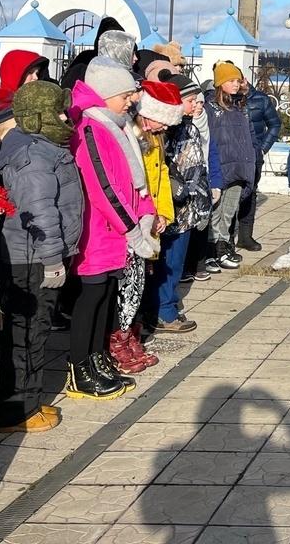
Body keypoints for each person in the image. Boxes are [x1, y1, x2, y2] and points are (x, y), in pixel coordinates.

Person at [0, 82, 84, 431]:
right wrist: (53, 259)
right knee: (29, 332)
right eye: (58, 112)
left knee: (33, 331)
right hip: (32, 260)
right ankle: (19, 411)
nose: (64, 118)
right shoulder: (32, 156)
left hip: (36, 257)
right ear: (39, 116)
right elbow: (41, 212)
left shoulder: (44, 148)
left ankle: (26, 400)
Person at [66, 56, 159, 399]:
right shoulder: (91, 128)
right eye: (125, 95)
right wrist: (131, 229)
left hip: (114, 234)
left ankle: (96, 358)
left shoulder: (112, 126)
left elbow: (132, 182)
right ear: (105, 94)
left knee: (105, 297)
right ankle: (79, 369)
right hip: (99, 232)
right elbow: (104, 188)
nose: (130, 101)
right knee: (90, 298)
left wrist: (145, 213)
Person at [113, 82, 180, 370]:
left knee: (139, 282)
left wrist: (163, 211)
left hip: (148, 218)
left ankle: (131, 334)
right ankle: (118, 339)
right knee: (125, 286)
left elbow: (161, 174)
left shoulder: (155, 139)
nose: (163, 128)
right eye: (160, 121)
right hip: (130, 220)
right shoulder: (128, 135)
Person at [151, 76, 219, 329]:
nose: (196, 105)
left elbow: (197, 164)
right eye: (190, 100)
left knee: (176, 262)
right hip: (173, 206)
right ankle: (163, 312)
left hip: (189, 205)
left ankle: (166, 306)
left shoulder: (188, 126)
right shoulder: (165, 129)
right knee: (167, 263)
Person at [203, 63, 255, 272]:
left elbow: (247, 136)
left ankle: (223, 246)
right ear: (220, 83)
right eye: (231, 81)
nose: (236, 84)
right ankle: (210, 249)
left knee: (228, 210)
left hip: (239, 168)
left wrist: (253, 154)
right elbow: (210, 138)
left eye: (237, 81)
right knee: (215, 210)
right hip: (220, 166)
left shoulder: (240, 107)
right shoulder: (211, 108)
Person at [240, 79, 280, 252]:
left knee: (250, 193)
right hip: (232, 154)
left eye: (238, 80)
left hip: (254, 155)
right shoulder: (227, 100)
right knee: (229, 196)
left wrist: (262, 148)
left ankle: (245, 236)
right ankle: (222, 241)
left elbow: (275, 124)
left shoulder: (261, 99)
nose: (237, 84)